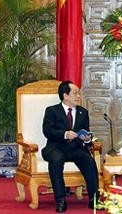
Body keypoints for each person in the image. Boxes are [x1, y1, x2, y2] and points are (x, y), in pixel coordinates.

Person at [41, 80, 100, 212]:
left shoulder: (83, 112)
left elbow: (85, 132)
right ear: (65, 95)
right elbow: (47, 131)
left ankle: (94, 198)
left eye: (79, 93)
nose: (79, 96)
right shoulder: (52, 111)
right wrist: (65, 134)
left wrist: (87, 139)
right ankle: (60, 200)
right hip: (56, 147)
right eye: (75, 93)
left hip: (75, 148)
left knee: (89, 160)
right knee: (56, 160)